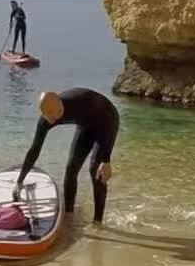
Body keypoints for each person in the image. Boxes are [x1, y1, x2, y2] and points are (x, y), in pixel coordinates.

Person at [16, 88, 119, 224]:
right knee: (71, 168)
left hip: (106, 120)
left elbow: (107, 120)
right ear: (43, 112)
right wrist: (19, 181)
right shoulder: (47, 117)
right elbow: (35, 149)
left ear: (60, 105)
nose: (53, 118)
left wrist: (106, 160)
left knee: (96, 171)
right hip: (86, 125)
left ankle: (97, 222)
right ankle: (69, 215)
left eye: (57, 113)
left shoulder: (77, 102)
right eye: (49, 115)